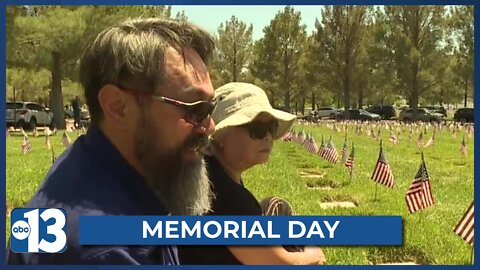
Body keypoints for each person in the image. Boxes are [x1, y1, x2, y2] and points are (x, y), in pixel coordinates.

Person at [7, 18, 216, 265]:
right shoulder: (102, 252)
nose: (210, 126)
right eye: (196, 110)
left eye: (211, 106)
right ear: (117, 107)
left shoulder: (95, 162)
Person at [178, 82, 326, 265]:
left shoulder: (210, 173)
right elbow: (281, 264)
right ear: (221, 136)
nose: (268, 137)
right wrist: (314, 253)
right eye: (256, 130)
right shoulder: (226, 195)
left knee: (276, 207)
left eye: (271, 128)